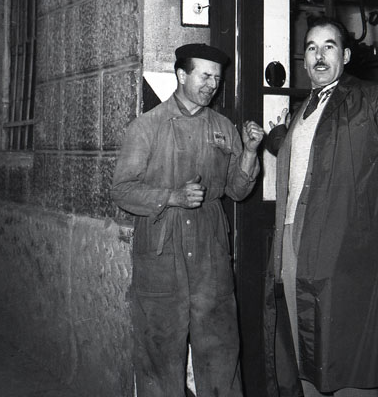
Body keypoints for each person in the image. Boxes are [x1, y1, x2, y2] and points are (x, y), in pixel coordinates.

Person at [264, 16, 378, 397]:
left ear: (345, 56)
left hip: (344, 252)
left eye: (328, 46)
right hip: (293, 246)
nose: (319, 55)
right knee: (305, 355)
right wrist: (273, 137)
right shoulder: (303, 109)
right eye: (311, 48)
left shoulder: (371, 99)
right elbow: (308, 153)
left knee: (347, 360)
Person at [112, 43, 264, 397]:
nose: (213, 84)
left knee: (221, 350)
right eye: (205, 76)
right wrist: (171, 197)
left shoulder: (223, 127)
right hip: (161, 250)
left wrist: (250, 152)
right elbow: (121, 191)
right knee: (159, 353)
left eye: (217, 78)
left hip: (211, 252)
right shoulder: (147, 127)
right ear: (182, 75)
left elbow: (238, 191)